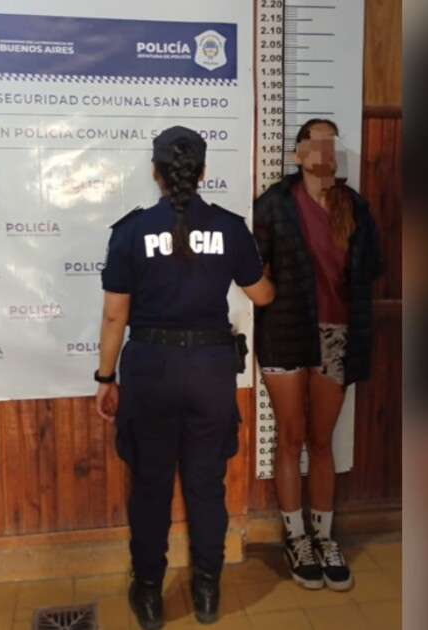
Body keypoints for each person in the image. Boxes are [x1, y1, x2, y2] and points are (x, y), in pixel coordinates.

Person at [94, 126, 274, 628]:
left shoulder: (131, 231)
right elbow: (262, 295)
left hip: (150, 370)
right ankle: (208, 592)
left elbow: (114, 316)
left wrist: (105, 378)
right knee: (205, 485)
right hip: (210, 371)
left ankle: (151, 596)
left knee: (150, 485)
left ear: (155, 172)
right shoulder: (229, 228)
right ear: (202, 172)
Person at [252, 119, 384, 591]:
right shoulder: (274, 204)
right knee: (290, 438)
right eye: (317, 141)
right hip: (285, 332)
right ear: (298, 154)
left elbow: (373, 268)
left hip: (337, 334)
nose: (327, 148)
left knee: (321, 440)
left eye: (332, 141)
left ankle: (324, 537)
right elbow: (253, 268)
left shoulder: (356, 207)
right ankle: (297, 538)